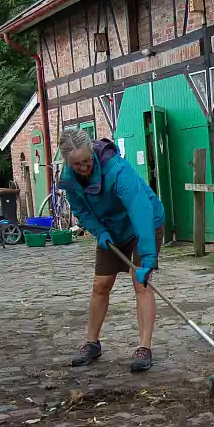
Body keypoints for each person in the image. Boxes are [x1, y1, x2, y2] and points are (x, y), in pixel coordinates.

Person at [56, 129, 166, 372]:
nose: (84, 167)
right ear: (67, 161)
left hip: (144, 224)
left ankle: (144, 348)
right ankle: (91, 343)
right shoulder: (69, 178)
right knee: (101, 284)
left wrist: (147, 258)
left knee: (141, 282)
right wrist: (99, 232)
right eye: (77, 164)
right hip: (110, 229)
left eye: (86, 161)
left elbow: (140, 209)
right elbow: (81, 211)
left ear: (92, 154)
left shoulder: (117, 170)